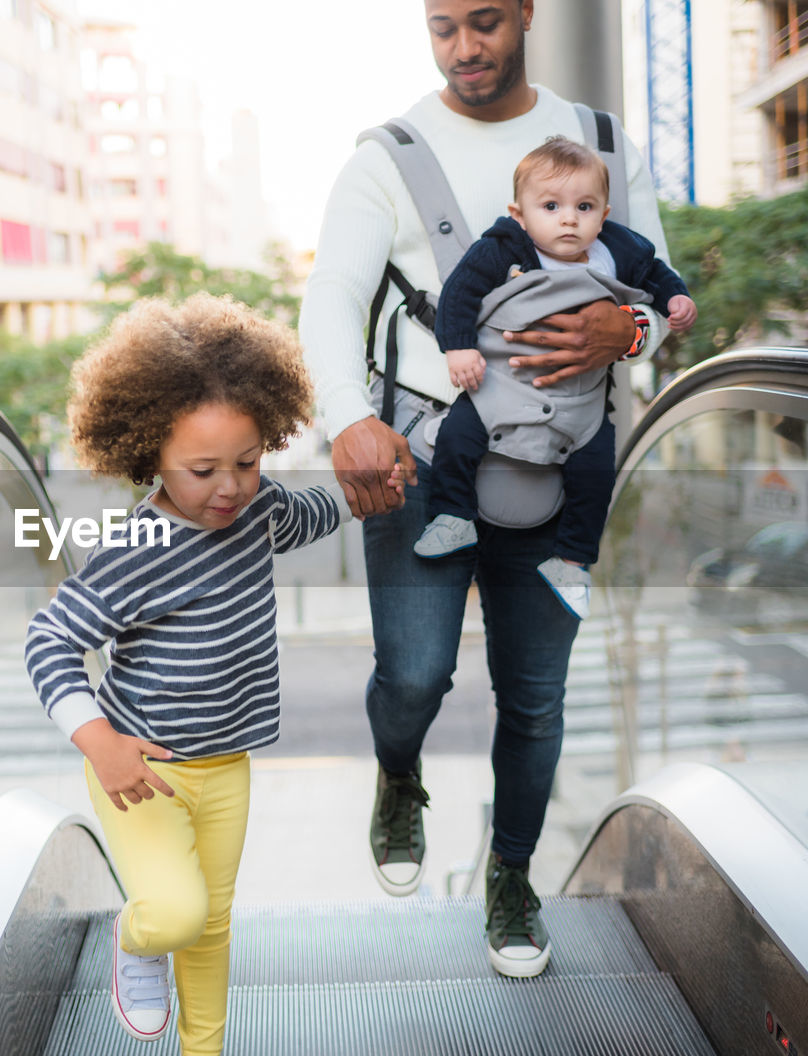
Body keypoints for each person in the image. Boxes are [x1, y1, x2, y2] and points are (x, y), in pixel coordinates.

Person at [299, 0, 679, 979]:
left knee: (536, 698)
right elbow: (332, 296)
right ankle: (398, 773)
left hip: (563, 458)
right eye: (440, 27)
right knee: (415, 674)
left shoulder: (597, 143)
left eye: (482, 22)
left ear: (522, 14)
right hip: (425, 454)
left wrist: (628, 334)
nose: (463, 47)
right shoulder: (387, 153)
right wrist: (346, 417)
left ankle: (510, 883)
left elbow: (660, 295)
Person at [24, 293, 354, 1054]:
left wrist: (367, 489)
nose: (231, 486)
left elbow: (305, 514)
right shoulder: (137, 549)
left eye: (247, 460)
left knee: (210, 923)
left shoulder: (254, 508)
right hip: (142, 773)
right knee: (173, 915)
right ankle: (134, 940)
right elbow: (49, 640)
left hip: (227, 767)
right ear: (149, 456)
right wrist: (98, 740)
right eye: (203, 470)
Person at [415, 136, 697, 619]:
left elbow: (657, 274)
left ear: (603, 214)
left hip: (580, 400)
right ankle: (452, 515)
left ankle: (572, 558)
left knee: (596, 468)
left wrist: (675, 299)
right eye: (551, 206)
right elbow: (460, 292)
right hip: (498, 383)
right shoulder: (503, 248)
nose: (569, 218)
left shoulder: (619, 253)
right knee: (459, 436)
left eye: (584, 207)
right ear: (520, 214)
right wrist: (458, 346)